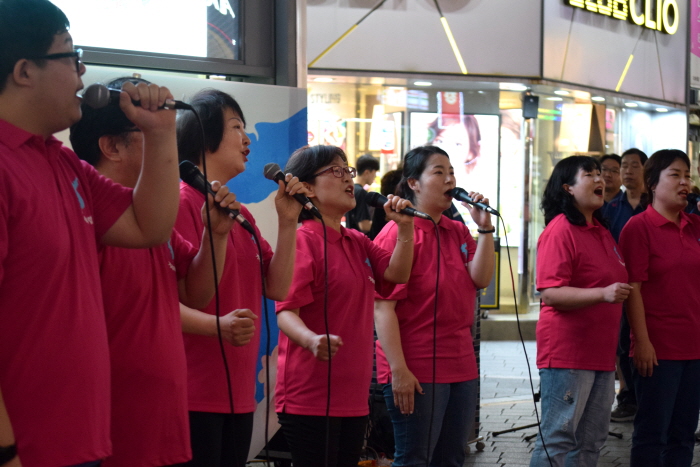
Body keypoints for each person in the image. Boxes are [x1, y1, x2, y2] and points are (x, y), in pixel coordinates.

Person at [0, 1, 181, 466]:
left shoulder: (63, 164)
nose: (83, 74)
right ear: (24, 70)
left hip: (80, 440)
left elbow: (150, 226)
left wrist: (161, 134)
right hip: (27, 449)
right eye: (70, 55)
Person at [69, 77, 241, 467]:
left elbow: (194, 293)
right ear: (112, 146)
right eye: (148, 130)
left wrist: (216, 235)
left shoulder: (152, 222)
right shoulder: (88, 217)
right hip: (112, 427)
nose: (167, 145)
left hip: (165, 421)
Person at [175, 88, 307, 467]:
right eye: (236, 127)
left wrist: (287, 222)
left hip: (238, 392)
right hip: (193, 392)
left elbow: (277, 287)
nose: (247, 139)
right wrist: (218, 326)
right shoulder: (180, 202)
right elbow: (168, 299)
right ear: (204, 135)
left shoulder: (240, 215)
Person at [275, 145, 415, 467]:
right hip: (309, 395)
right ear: (307, 187)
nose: (347, 178)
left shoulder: (356, 240)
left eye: (347, 170)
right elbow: (285, 312)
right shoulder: (303, 240)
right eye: (335, 171)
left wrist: (404, 228)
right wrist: (311, 340)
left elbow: (397, 274)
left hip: (352, 395)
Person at [373, 145, 495, 467]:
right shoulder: (397, 233)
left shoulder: (457, 231)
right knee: (415, 458)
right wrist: (398, 370)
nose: (449, 179)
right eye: (438, 172)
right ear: (414, 183)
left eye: (451, 172)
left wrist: (484, 229)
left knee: (452, 457)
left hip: (461, 362)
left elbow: (480, 279)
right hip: (416, 365)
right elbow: (383, 307)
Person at [529, 156, 631, 467]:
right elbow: (551, 292)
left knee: (591, 441)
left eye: (600, 174)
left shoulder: (601, 230)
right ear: (568, 188)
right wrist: (603, 293)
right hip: (568, 355)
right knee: (558, 439)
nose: (599, 180)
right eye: (590, 174)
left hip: (600, 355)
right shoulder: (560, 231)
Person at [619, 149, 700, 467]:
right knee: (653, 434)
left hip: (693, 347)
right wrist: (642, 342)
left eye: (688, 176)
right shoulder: (638, 229)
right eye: (675, 175)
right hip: (658, 349)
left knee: (683, 435)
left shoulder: (694, 227)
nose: (684, 182)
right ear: (652, 183)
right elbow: (633, 290)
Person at [602, 148, 648, 423]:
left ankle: (648, 397)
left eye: (634, 165)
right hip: (618, 288)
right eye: (624, 166)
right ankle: (628, 398)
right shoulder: (610, 209)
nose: (628, 171)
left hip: (647, 288)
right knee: (622, 345)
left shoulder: (653, 204)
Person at [345, 153, 379, 234]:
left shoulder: (351, 189)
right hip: (359, 241)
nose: (375, 176)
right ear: (367, 172)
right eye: (374, 172)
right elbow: (364, 226)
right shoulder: (361, 193)